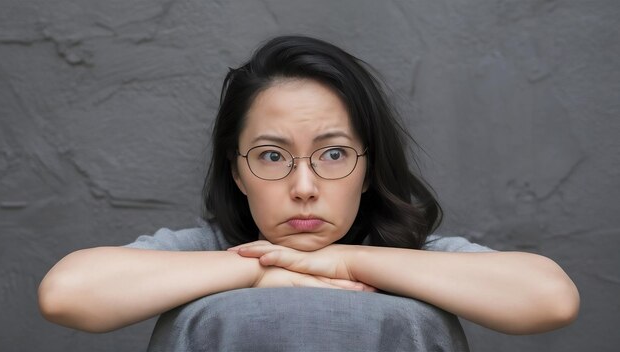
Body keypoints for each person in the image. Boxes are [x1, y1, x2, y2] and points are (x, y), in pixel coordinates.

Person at [38, 35, 579, 350]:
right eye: (272, 156)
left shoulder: (417, 259)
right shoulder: (199, 251)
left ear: (368, 170)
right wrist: (259, 270)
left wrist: (347, 260)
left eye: (334, 154)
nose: (303, 187)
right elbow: (66, 294)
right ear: (237, 172)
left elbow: (551, 299)